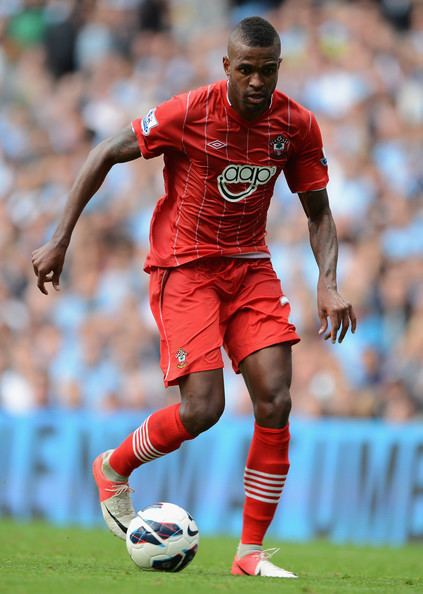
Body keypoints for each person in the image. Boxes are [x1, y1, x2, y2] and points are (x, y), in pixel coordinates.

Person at [32, 16, 356, 578]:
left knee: (276, 399)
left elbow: (319, 213)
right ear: (227, 67)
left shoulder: (297, 125)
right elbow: (107, 151)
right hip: (185, 269)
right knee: (204, 408)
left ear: (280, 68)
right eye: (248, 70)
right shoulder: (191, 111)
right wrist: (60, 238)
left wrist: (327, 281)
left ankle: (249, 555)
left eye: (269, 70)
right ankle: (113, 465)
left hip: (250, 267)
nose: (258, 82)